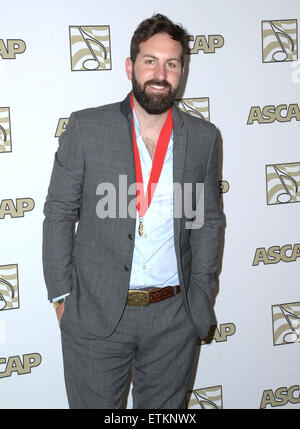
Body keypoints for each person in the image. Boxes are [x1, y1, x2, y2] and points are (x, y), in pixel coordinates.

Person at [42, 13, 222, 409]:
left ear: (182, 71)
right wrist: (62, 298)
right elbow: (58, 213)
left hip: (173, 318)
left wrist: (199, 299)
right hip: (95, 318)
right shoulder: (88, 128)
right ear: (130, 66)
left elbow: (205, 222)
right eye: (150, 61)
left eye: (171, 63)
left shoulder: (202, 138)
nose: (161, 73)